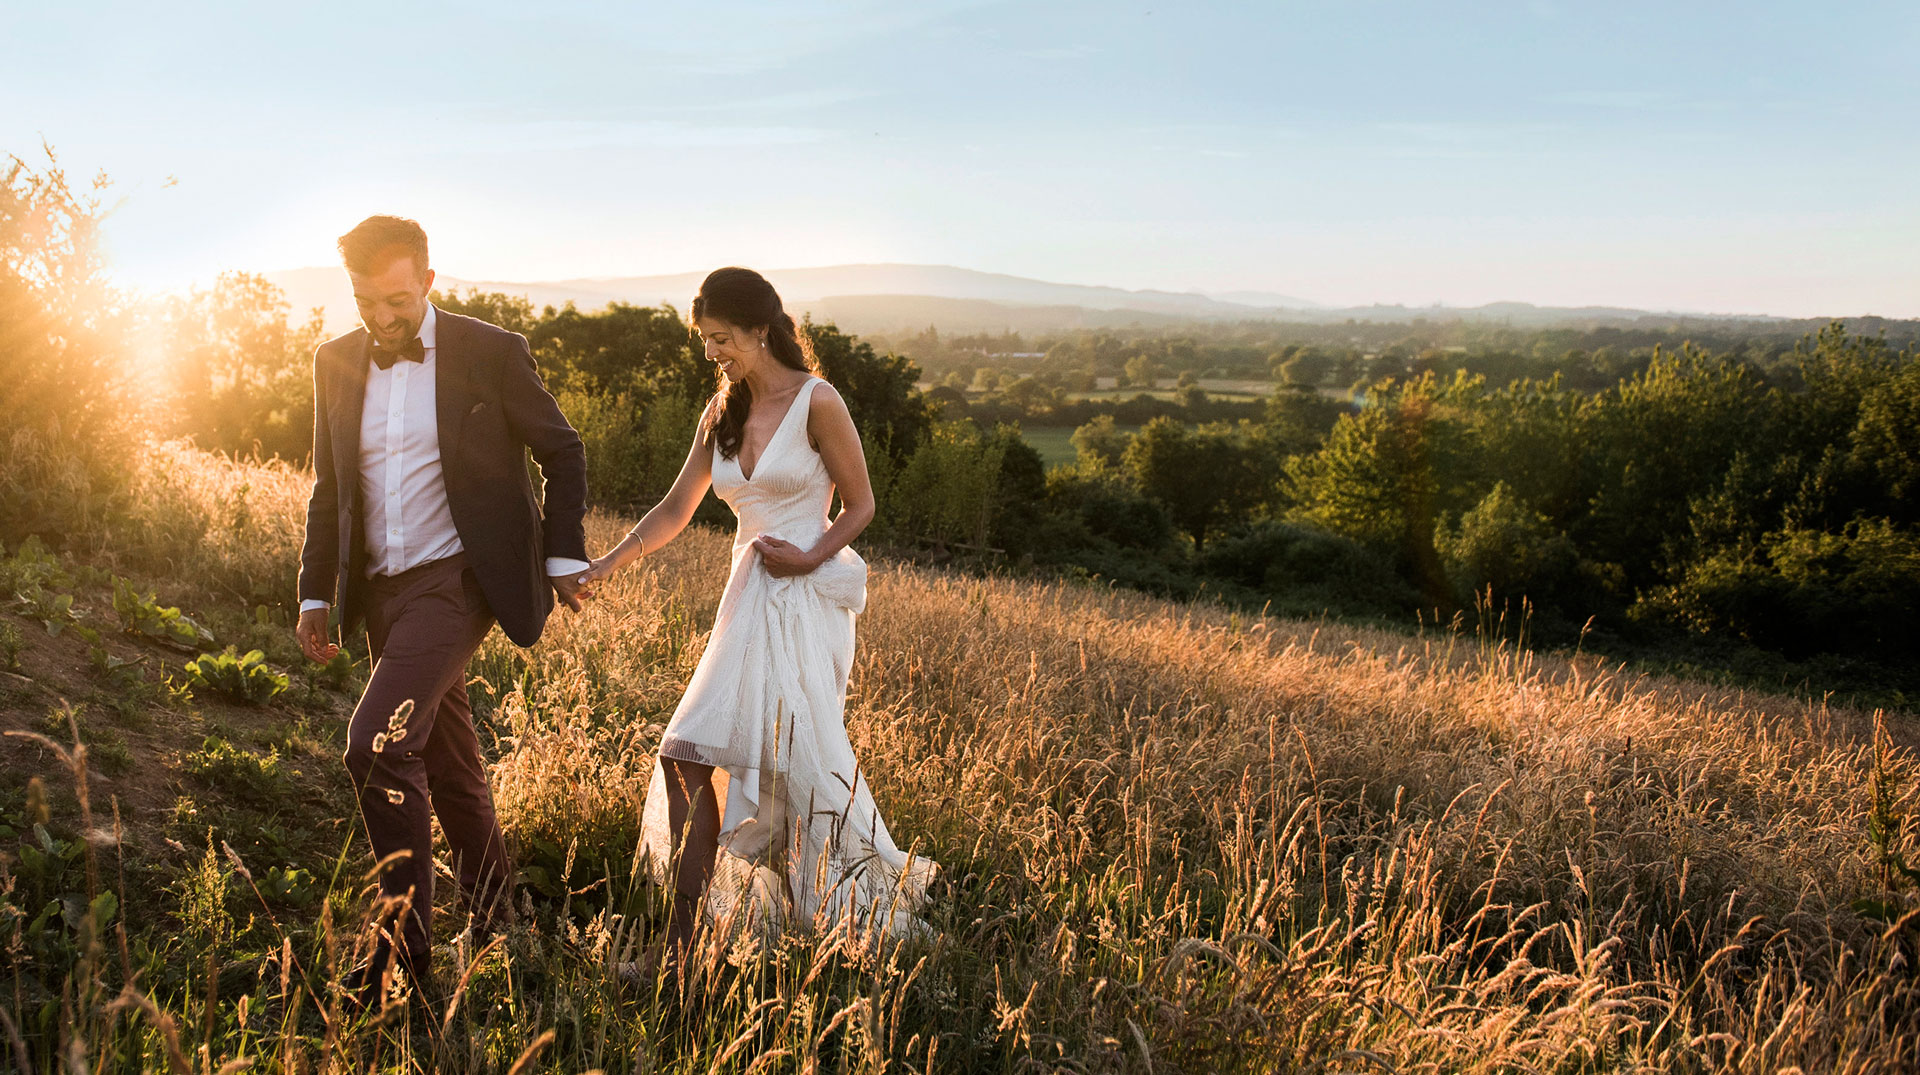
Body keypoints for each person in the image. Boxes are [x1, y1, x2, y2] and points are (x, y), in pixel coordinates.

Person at [578, 267, 934, 968]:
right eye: (705, 341)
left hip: (802, 603)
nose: (712, 353)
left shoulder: (816, 402)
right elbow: (676, 508)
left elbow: (861, 505)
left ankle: (779, 932)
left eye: (721, 338)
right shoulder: (721, 413)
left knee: (779, 765)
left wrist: (808, 556)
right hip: (745, 603)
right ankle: (689, 947)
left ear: (760, 330)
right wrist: (604, 565)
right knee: (691, 756)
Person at [293, 215, 590, 1008]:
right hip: (380, 594)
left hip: (458, 583)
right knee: (451, 763)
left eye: (397, 300)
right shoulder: (332, 361)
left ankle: (400, 960)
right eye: (366, 302)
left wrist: (561, 553)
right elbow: (331, 486)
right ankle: (499, 918)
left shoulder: (490, 352)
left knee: (376, 746)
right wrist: (316, 588)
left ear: (427, 280)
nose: (383, 319)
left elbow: (562, 448)